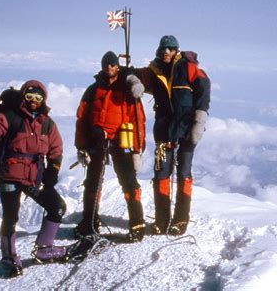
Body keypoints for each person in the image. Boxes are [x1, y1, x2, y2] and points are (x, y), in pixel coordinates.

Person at [131, 35, 211, 236]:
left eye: (171, 48)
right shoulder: (154, 70)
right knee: (161, 174)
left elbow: (204, 87)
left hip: (187, 128)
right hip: (165, 129)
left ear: (176, 50)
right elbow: (131, 74)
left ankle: (180, 220)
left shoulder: (188, 67)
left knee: (184, 173)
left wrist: (199, 121)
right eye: (164, 48)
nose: (166, 51)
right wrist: (133, 81)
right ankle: (161, 221)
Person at [0, 80, 66, 277]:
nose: (34, 101)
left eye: (38, 97)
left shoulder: (47, 123)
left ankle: (44, 248)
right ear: (23, 96)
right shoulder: (10, 116)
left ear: (43, 99)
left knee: (57, 206)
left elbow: (56, 149)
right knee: (10, 217)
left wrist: (53, 170)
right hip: (9, 176)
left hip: (34, 177)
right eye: (30, 96)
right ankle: (9, 259)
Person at [74, 51, 146, 242]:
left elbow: (137, 119)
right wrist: (81, 146)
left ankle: (137, 223)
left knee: (129, 180)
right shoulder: (93, 90)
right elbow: (82, 118)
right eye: (106, 65)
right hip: (96, 140)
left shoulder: (127, 89)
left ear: (117, 66)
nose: (109, 68)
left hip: (121, 139)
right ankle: (89, 222)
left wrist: (137, 150)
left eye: (113, 65)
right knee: (93, 181)